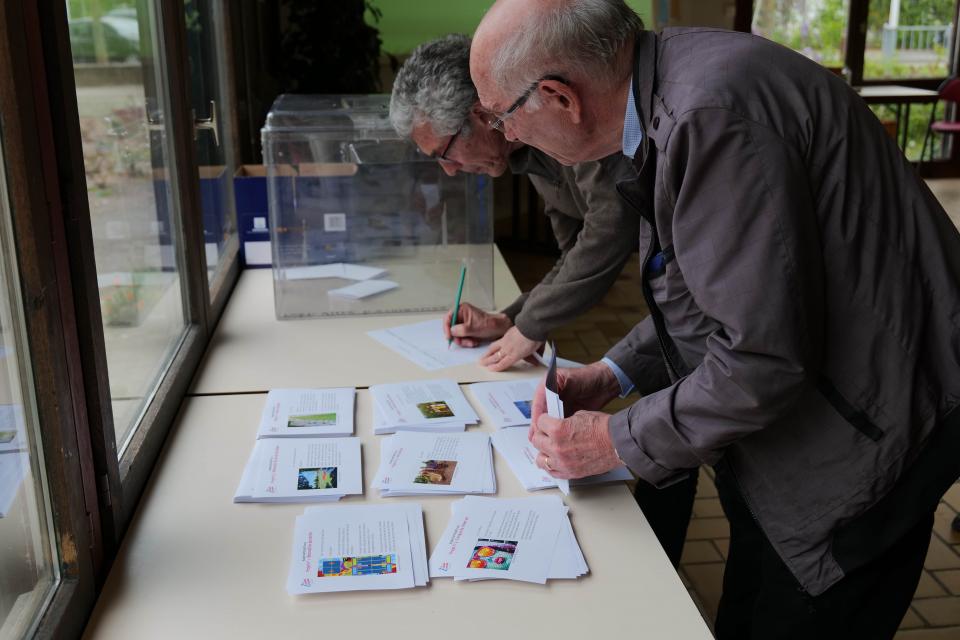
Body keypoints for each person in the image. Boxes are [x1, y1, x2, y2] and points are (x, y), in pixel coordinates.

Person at [470, 1, 960, 638]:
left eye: (503, 116)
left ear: (561, 97)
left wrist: (612, 440)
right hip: (819, 421)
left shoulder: (707, 117)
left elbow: (761, 358)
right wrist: (616, 372)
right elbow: (707, 290)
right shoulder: (667, 90)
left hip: (869, 435)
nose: (507, 138)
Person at [390, 34, 697, 567]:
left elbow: (607, 232)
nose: (449, 170)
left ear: (481, 114)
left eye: (445, 152)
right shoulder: (524, 154)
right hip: (675, 307)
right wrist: (509, 318)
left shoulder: (560, 131)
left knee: (675, 424)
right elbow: (570, 251)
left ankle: (660, 563)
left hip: (689, 296)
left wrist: (529, 326)